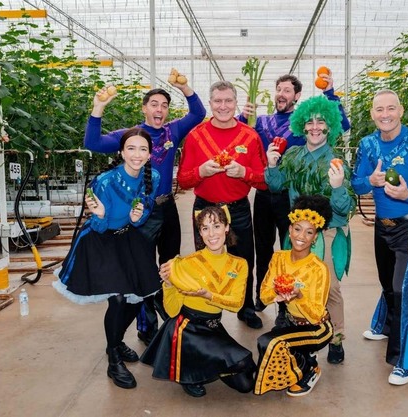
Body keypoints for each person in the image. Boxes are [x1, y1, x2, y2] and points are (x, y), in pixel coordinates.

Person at [84, 79, 206, 345]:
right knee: (143, 269)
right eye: (154, 104)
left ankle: (171, 320)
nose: (159, 109)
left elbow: (198, 113)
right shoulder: (132, 136)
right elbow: (92, 142)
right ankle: (146, 326)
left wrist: (184, 87)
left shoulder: (173, 131)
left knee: (170, 264)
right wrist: (98, 108)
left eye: (164, 105)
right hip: (140, 212)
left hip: (167, 207)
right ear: (144, 108)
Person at [53, 127, 161, 389]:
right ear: (121, 152)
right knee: (119, 298)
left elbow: (143, 213)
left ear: (149, 154)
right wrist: (100, 215)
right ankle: (114, 359)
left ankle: (116, 340)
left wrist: (137, 218)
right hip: (99, 240)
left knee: (139, 295)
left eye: (143, 149)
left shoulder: (153, 177)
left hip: (127, 237)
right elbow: (99, 226)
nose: (137, 154)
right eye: (131, 148)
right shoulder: (105, 181)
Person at [239, 73, 351, 314]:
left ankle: (288, 310)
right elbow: (241, 134)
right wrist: (243, 115)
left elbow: (341, 124)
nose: (281, 94)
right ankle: (263, 295)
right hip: (268, 189)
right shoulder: (263, 120)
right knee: (264, 247)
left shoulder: (304, 123)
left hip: (292, 196)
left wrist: (330, 93)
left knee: (291, 248)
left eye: (287, 90)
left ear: (297, 95)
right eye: (278, 89)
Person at [350, 89, 408, 385]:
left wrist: (407, 194)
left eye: (390, 108)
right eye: (379, 109)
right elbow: (356, 185)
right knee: (388, 283)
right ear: (372, 114)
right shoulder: (367, 144)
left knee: (402, 289)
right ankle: (386, 325)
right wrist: (370, 180)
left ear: (400, 111)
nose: (385, 114)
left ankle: (403, 359)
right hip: (381, 224)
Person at [265, 94, 356, 365]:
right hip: (297, 232)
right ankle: (295, 330)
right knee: (290, 282)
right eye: (310, 122)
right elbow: (276, 185)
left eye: (321, 122)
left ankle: (336, 338)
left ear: (330, 126)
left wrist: (338, 187)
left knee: (330, 288)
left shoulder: (337, 161)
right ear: (302, 126)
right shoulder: (293, 155)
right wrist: (272, 166)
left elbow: (345, 207)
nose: (315, 127)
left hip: (327, 233)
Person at [177, 80, 268, 329]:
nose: (223, 106)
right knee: (203, 261)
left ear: (236, 103)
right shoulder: (196, 136)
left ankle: (245, 307)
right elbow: (183, 180)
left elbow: (264, 180)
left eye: (228, 100)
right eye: (218, 101)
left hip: (238, 208)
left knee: (244, 260)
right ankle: (204, 311)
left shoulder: (250, 136)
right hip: (205, 208)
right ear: (210, 103)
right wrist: (201, 171)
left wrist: (244, 173)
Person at [141, 206, 256, 398]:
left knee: (246, 383)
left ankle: (208, 364)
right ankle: (188, 373)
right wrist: (168, 285)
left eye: (216, 226)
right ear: (200, 233)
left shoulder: (239, 264)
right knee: (242, 361)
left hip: (213, 327)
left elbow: (236, 304)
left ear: (227, 227)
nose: (211, 234)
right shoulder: (186, 263)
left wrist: (208, 296)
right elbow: (172, 311)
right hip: (187, 329)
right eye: (205, 228)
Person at [253, 195, 334, 397]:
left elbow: (316, 315)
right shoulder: (279, 258)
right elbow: (263, 296)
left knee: (268, 342)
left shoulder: (319, 268)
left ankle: (310, 369)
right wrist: (277, 291)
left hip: (316, 328)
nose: (301, 236)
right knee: (268, 352)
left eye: (309, 232)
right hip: (289, 322)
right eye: (297, 229)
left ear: (315, 237)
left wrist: (298, 296)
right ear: (289, 230)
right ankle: (303, 356)